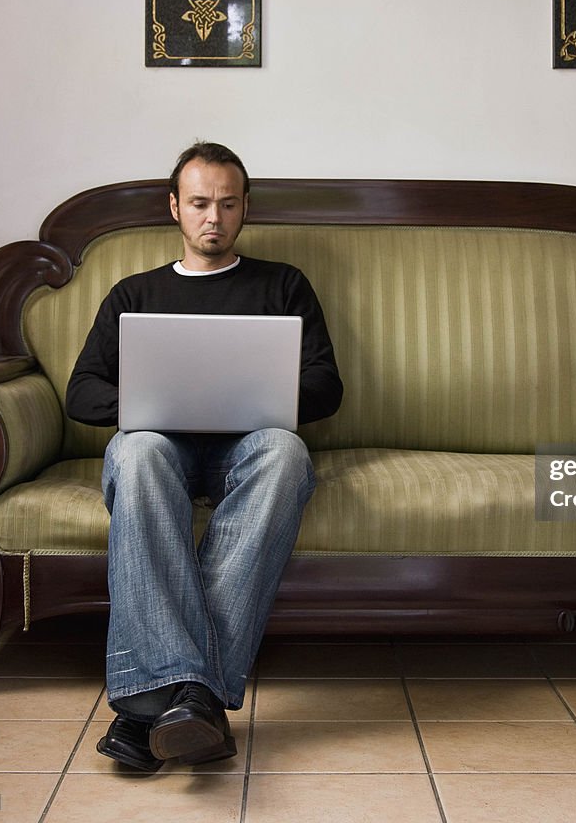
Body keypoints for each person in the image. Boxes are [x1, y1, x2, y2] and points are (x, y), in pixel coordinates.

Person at [65, 142, 343, 772]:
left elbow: (327, 386)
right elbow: (81, 393)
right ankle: (191, 702)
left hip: (246, 448)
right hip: (161, 447)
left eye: (226, 203)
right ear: (175, 208)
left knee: (285, 453)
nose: (212, 217)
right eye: (198, 203)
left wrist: (260, 392)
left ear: (245, 208)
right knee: (137, 456)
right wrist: (153, 399)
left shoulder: (283, 284)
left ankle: (151, 707)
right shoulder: (134, 293)